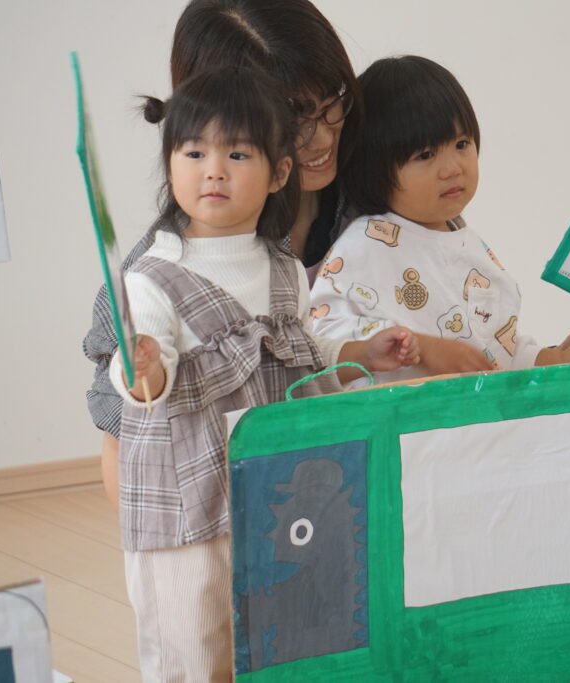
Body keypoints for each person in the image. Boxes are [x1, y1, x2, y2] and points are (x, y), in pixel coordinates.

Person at [113, 66, 417, 681]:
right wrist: (141, 366)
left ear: (279, 173)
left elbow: (303, 351)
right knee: (193, 641)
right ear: (170, 165)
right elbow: (145, 380)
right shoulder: (152, 276)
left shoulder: (283, 268)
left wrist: (361, 352)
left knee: (281, 630)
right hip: (191, 506)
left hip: (275, 491)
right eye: (194, 153)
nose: (213, 171)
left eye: (237, 154)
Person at [82, 0, 363, 509]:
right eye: (295, 116)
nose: (322, 137)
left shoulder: (368, 202)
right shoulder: (157, 279)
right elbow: (127, 438)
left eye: (331, 102)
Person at [309, 55, 570, 385]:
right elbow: (322, 343)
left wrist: (564, 358)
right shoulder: (364, 245)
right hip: (403, 417)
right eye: (425, 155)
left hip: (477, 416)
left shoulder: (470, 245)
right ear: (373, 168)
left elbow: (498, 354)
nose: (453, 168)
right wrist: (423, 348)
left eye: (461, 144)